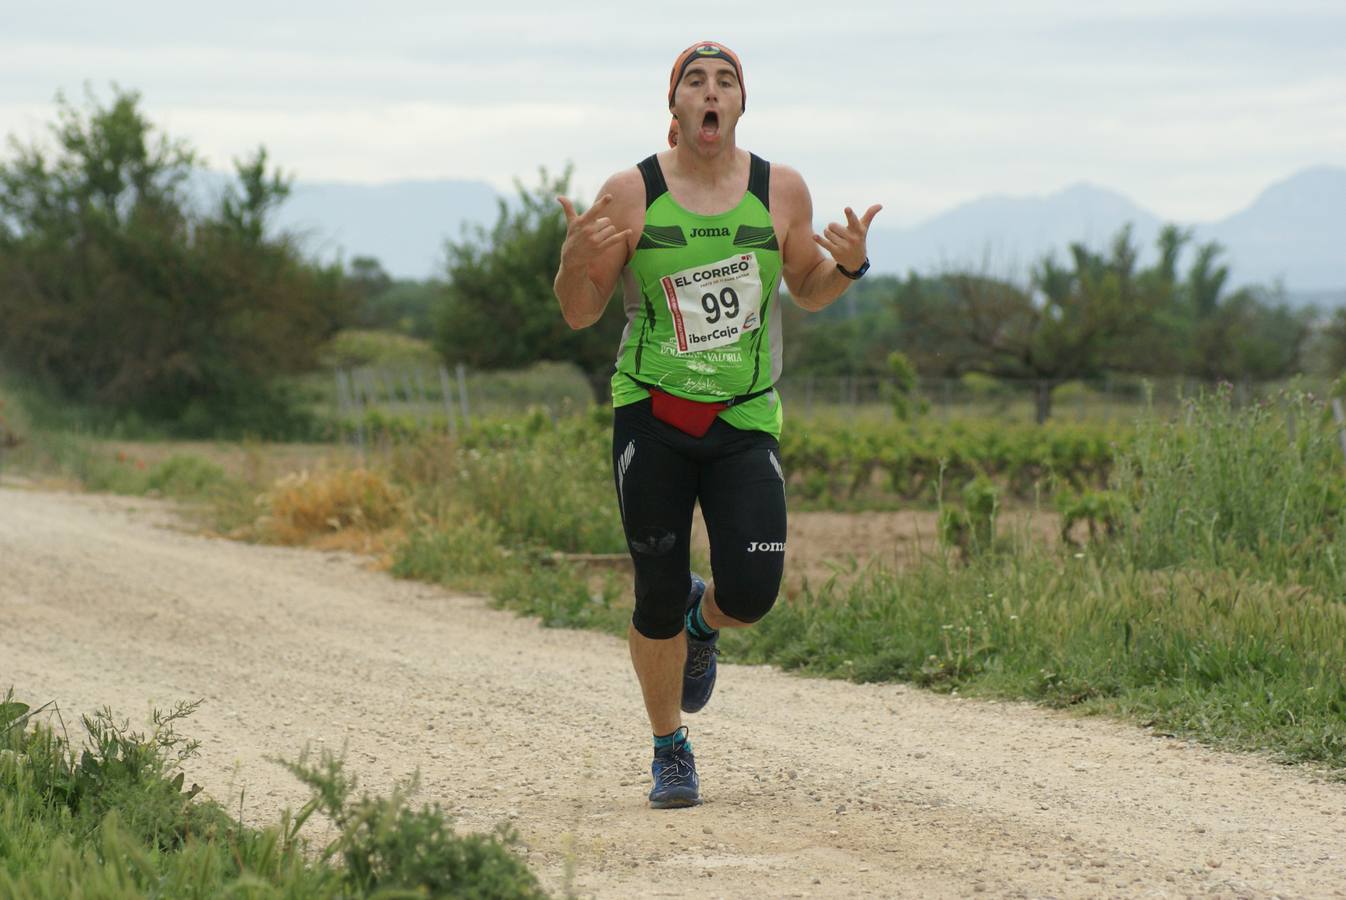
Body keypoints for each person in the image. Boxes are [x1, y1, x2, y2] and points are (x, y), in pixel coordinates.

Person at [553, 40, 880, 809]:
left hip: (743, 419)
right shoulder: (630, 193)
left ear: (739, 104)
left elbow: (806, 285)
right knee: (654, 593)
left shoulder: (779, 190)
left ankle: (706, 623)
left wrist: (851, 267)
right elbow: (578, 311)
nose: (710, 92)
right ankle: (670, 748)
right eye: (694, 82)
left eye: (724, 81)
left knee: (755, 590)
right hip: (652, 416)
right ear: (675, 107)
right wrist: (572, 260)